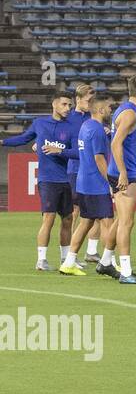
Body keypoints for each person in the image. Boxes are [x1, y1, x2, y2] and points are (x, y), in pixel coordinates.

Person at [2, 92, 77, 271]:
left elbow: (78, 153)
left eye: (70, 105)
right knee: (48, 218)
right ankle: (41, 260)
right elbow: (23, 138)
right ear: (54, 104)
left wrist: (60, 151)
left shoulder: (72, 127)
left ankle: (65, 259)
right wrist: (3, 141)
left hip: (65, 179)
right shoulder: (40, 123)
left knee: (67, 219)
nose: (68, 108)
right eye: (65, 104)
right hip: (47, 180)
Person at [59, 94, 115, 276]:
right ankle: (110, 262)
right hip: (95, 183)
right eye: (109, 108)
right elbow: (99, 158)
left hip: (83, 181)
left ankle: (69, 261)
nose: (111, 111)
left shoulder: (86, 126)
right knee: (108, 222)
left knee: (86, 222)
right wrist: (111, 181)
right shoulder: (97, 130)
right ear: (100, 110)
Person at [107, 75, 136, 285]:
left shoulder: (125, 110)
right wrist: (124, 172)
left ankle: (106, 261)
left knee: (120, 220)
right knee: (127, 222)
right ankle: (126, 271)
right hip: (124, 174)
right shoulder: (130, 114)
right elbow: (116, 144)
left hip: (121, 171)